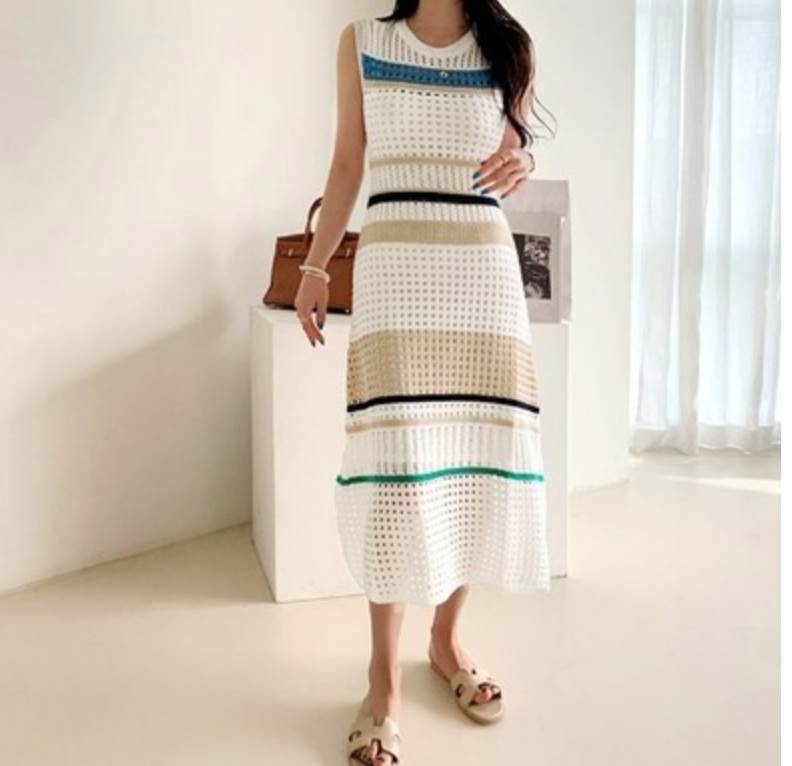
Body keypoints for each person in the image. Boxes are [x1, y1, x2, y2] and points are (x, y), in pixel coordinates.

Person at [293, 1, 554, 763]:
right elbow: (348, 164)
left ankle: (446, 642)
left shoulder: (509, 45)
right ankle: (383, 677)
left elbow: (509, 152)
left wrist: (524, 161)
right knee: (398, 465)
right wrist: (315, 266)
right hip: (397, 270)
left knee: (472, 455)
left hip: (482, 273)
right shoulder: (363, 41)